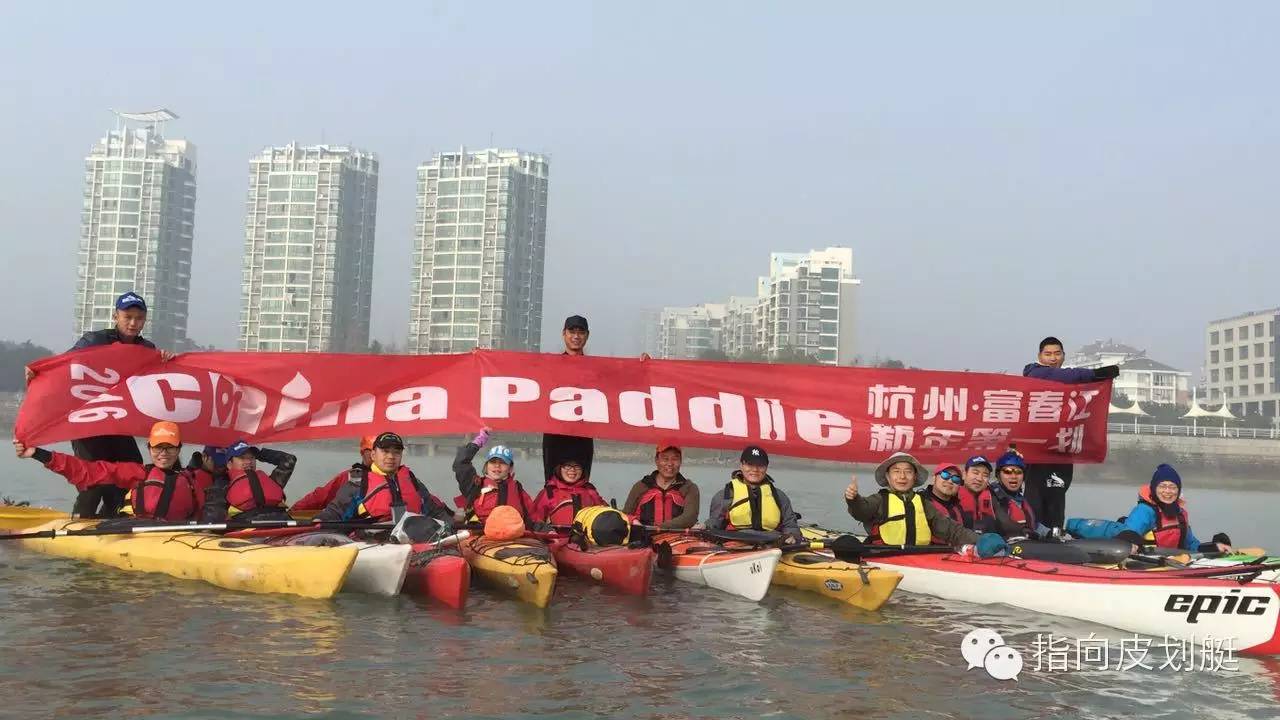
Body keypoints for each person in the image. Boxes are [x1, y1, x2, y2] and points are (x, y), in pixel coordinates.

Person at [35, 292, 176, 518]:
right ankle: (80, 524)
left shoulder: (147, 349)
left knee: (133, 472)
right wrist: (40, 370)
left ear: (144, 320)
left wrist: (167, 361)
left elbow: (156, 380)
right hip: (88, 422)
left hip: (118, 423)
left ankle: (110, 521)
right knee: (93, 479)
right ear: (115, 316)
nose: (133, 323)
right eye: (127, 316)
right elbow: (64, 364)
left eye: (139, 318)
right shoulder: (94, 341)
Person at [1022, 336, 1120, 530]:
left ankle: (1055, 538)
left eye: (1057, 354)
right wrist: (1094, 373)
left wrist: (1100, 379)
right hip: (1037, 453)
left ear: (1064, 356)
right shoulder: (1034, 372)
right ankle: (1032, 536)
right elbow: (1062, 375)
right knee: (1035, 499)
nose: (1053, 358)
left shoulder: (1074, 383)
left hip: (1062, 450)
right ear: (1039, 356)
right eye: (1048, 354)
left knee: (1057, 499)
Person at [13, 421, 201, 521]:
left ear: (178, 449)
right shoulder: (137, 473)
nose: (164, 454)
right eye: (158, 448)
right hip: (141, 535)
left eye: (170, 447)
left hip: (180, 535)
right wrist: (38, 454)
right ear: (149, 448)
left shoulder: (191, 480)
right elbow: (87, 471)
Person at [844, 452, 979, 547]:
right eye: (896, 471)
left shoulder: (924, 504)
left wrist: (980, 540)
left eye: (908, 472)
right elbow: (861, 511)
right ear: (888, 477)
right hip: (885, 557)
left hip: (917, 559)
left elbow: (952, 530)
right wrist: (853, 499)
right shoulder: (879, 500)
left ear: (914, 477)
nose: (902, 476)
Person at [315, 432, 454, 524]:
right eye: (385, 451)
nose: (391, 457)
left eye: (396, 452)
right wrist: (317, 522)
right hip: (371, 544)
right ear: (373, 455)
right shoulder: (358, 483)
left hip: (412, 543)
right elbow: (334, 513)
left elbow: (435, 511)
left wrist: (455, 525)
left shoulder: (412, 480)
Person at [1113, 464, 1233, 554]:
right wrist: (1128, 543)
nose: (1167, 491)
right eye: (1162, 486)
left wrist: (1214, 548)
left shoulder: (1181, 514)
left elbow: (1191, 545)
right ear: (1154, 488)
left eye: (1172, 487)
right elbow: (1129, 532)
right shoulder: (1144, 511)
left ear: (1178, 490)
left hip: (1173, 565)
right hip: (1145, 566)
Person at [705, 446, 803, 542]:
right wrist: (705, 527)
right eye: (750, 464)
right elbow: (714, 523)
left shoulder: (779, 496)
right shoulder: (724, 495)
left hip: (771, 543)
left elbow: (790, 526)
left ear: (766, 467)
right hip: (735, 543)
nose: (755, 469)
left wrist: (792, 536)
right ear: (742, 465)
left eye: (760, 465)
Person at [542, 314, 595, 481]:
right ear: (564, 334)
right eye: (572, 332)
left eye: (581, 332)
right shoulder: (550, 364)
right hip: (555, 433)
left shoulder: (596, 368)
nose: (576, 336)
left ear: (587, 335)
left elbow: (622, 381)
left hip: (583, 433)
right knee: (552, 483)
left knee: (582, 483)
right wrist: (482, 357)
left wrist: (644, 365)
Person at [202, 440, 297, 522]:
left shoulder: (272, 481)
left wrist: (259, 453)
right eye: (242, 458)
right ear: (229, 464)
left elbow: (289, 460)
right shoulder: (222, 486)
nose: (248, 462)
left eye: (251, 457)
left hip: (281, 525)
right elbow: (211, 520)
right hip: (248, 533)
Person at [452, 428, 535, 523]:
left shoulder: (518, 490)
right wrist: (478, 442)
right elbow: (460, 464)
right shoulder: (475, 485)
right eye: (493, 462)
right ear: (486, 466)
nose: (497, 466)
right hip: (479, 533)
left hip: (510, 535)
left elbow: (533, 519)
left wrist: (547, 530)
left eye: (502, 462)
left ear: (510, 468)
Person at [622, 443, 701, 530]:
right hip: (643, 538)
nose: (670, 464)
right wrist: (633, 521)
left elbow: (690, 518)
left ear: (681, 461)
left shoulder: (689, 488)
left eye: (675, 459)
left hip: (677, 538)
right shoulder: (641, 486)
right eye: (665, 459)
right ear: (656, 460)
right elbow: (625, 515)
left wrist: (660, 528)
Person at [290, 435, 375, 514]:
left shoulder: (387, 478)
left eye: (385, 451)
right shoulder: (349, 477)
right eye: (372, 451)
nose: (377, 455)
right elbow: (321, 496)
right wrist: (293, 512)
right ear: (362, 453)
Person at [986, 449, 1057, 541]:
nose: (1014, 476)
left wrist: (1050, 533)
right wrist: (1026, 532)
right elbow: (1003, 522)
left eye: (1018, 472)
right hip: (1003, 546)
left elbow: (1034, 525)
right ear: (998, 475)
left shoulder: (1020, 499)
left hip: (1026, 545)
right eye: (1007, 472)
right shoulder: (991, 496)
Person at [531, 458, 606, 526]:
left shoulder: (590, 490)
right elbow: (535, 520)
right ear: (559, 468)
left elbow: (605, 515)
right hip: (556, 538)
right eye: (567, 466)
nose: (572, 470)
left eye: (577, 466)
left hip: (584, 539)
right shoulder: (548, 493)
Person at [919, 462, 966, 529]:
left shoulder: (959, 509)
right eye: (945, 475)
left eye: (956, 479)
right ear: (934, 478)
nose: (950, 481)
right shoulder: (919, 502)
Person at [956, 455, 996, 531]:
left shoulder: (995, 498)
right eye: (975, 473)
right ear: (964, 475)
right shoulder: (951, 497)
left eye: (985, 475)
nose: (979, 479)